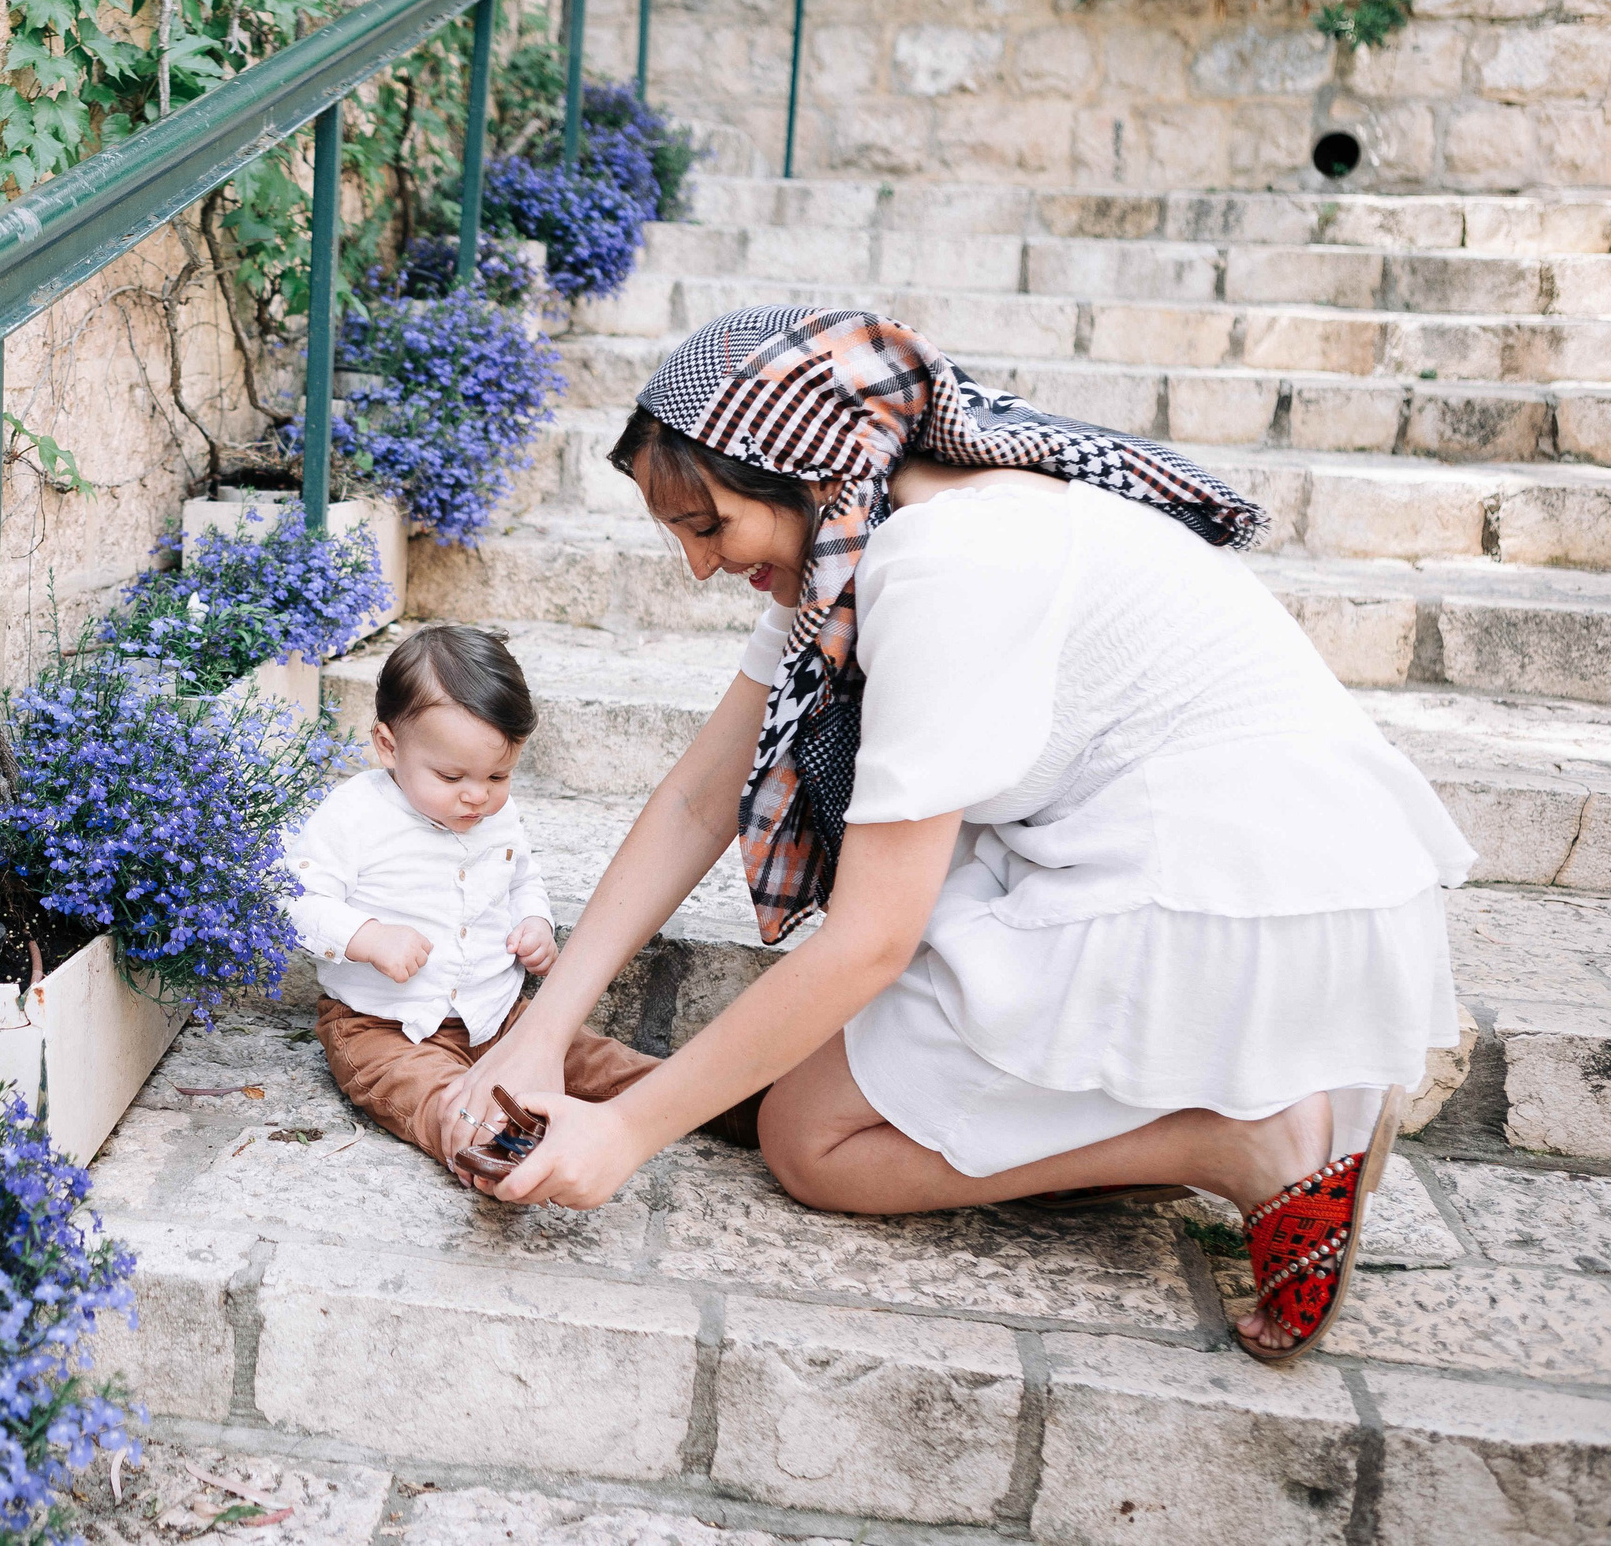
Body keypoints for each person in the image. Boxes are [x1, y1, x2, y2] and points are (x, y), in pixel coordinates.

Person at [440, 306, 1471, 1363]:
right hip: (1247, 863)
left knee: (812, 1142)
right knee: (840, 1069)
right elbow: (700, 798)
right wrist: (541, 1034)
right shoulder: (862, 535)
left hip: (1234, 895)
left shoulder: (944, 564)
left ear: (802, 473)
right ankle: (1229, 1105)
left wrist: (625, 1131)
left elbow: (869, 940)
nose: (700, 566)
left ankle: (1246, 1135)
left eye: (709, 527)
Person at [283, 624, 760, 1170]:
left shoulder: (495, 814)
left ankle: (732, 1103)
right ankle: (492, 1148)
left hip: (500, 1017)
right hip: (386, 1028)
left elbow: (521, 877)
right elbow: (297, 899)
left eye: (498, 775)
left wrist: (533, 921)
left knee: (597, 1061)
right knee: (432, 1096)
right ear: (389, 745)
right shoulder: (354, 815)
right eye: (451, 775)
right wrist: (365, 937)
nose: (477, 794)